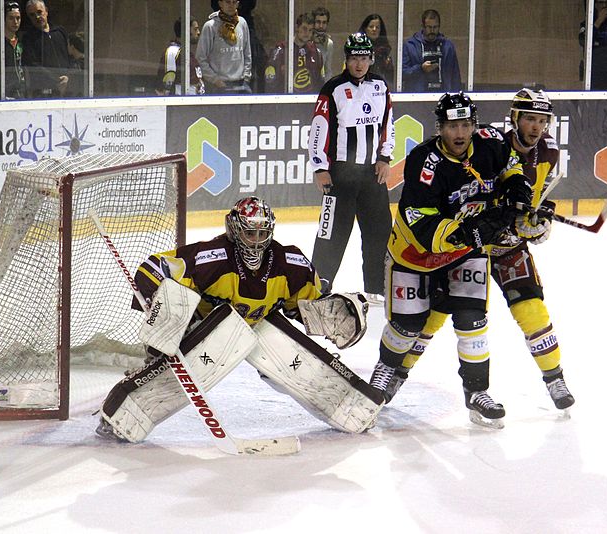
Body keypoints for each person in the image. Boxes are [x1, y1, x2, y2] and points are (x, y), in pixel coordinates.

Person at [94, 197, 381, 443]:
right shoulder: (211, 258)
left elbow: (306, 306)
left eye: (261, 233)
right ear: (234, 230)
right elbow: (152, 268)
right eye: (249, 233)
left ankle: (351, 407)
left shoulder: (290, 264)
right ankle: (120, 413)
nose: (256, 242)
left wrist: (335, 311)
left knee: (281, 344)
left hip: (260, 332)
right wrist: (167, 311)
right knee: (188, 342)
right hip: (201, 333)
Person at [380, 89, 576, 413]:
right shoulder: (493, 142)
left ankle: (554, 378)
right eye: (529, 118)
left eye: (542, 121)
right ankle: (397, 374)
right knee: (433, 318)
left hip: (504, 242)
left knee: (531, 310)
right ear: (515, 118)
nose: (535, 127)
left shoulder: (549, 153)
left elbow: (529, 204)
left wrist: (535, 222)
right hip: (467, 242)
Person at [307, 32, 395, 306]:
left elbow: (388, 123)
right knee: (331, 232)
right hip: (341, 174)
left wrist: (385, 157)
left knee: (379, 231)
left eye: (364, 58)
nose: (359, 63)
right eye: (354, 58)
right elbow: (318, 129)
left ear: (371, 59)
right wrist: (320, 167)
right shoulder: (333, 89)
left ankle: (378, 288)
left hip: (371, 174)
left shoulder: (380, 86)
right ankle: (318, 286)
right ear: (346, 59)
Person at [197, 0, 253, 94]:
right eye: (227, 2)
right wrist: (215, 80)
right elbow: (200, 57)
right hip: (218, 86)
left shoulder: (242, 23)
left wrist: (246, 77)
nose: (231, 5)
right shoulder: (210, 26)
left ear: (238, 4)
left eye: (234, 2)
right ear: (220, 3)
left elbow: (247, 53)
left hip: (241, 84)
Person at [211, 0, 266, 93]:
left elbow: (251, 4)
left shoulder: (244, 23)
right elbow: (214, 4)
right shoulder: (212, 26)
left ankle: (248, 87)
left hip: (246, 23)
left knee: (255, 58)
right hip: (222, 24)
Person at [402, 9, 462, 93]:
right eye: (429, 27)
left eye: (435, 27)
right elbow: (403, 73)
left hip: (443, 94)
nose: (432, 31)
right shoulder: (410, 45)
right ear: (422, 26)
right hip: (418, 96)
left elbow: (455, 76)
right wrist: (421, 68)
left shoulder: (447, 46)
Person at [21, 0, 71, 98]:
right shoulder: (29, 38)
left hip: (68, 89)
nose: (37, 17)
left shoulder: (60, 32)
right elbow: (33, 65)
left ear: (46, 11)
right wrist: (57, 80)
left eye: (39, 12)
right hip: (43, 93)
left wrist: (69, 78)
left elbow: (71, 56)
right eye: (32, 15)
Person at [264, 13, 324, 94]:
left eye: (310, 30)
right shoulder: (281, 50)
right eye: (304, 29)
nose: (307, 33)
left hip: (308, 101)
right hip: (285, 101)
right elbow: (270, 81)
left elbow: (320, 82)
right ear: (297, 28)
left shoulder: (316, 52)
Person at [0, 1, 26, 99]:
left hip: (21, 95)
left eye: (18, 18)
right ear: (4, 19)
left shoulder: (22, 41)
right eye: (11, 18)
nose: (15, 22)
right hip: (3, 96)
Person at [156, 17, 206, 96]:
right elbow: (165, 88)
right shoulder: (172, 53)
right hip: (182, 105)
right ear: (185, 31)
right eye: (195, 29)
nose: (198, 32)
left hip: (194, 103)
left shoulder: (186, 53)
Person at [358, 14, 394, 88]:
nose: (374, 29)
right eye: (371, 27)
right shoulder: (357, 48)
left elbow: (389, 77)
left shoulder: (385, 50)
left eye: (377, 27)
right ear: (365, 28)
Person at [312, 7, 335, 81]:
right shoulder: (305, 40)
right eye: (318, 22)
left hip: (318, 83)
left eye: (324, 22)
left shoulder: (329, 43)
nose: (321, 26)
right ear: (313, 23)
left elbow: (328, 69)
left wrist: (328, 88)